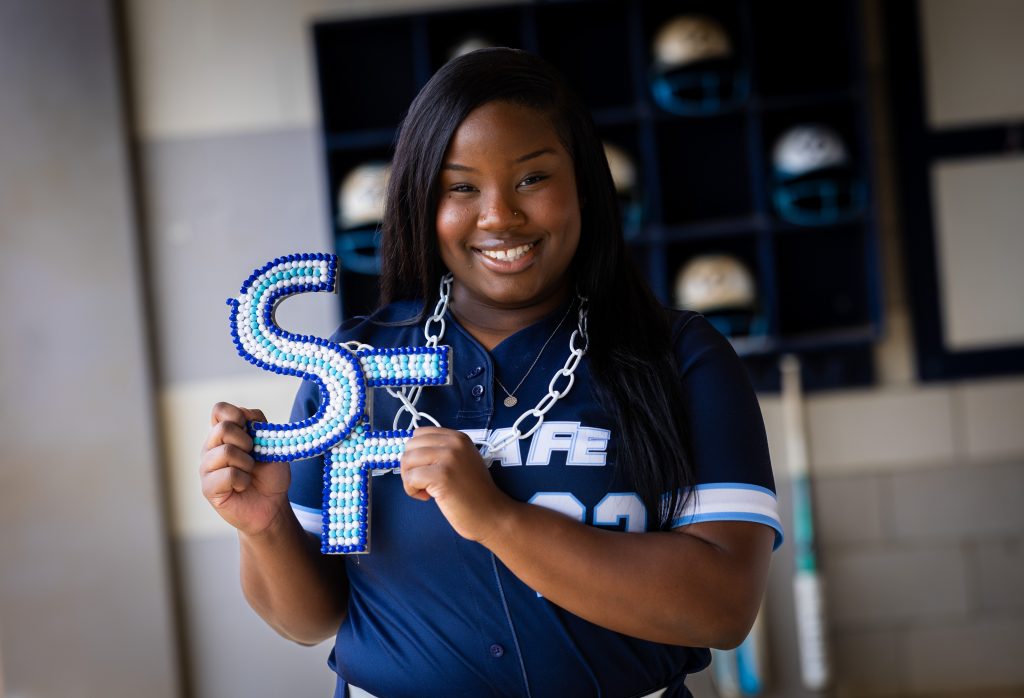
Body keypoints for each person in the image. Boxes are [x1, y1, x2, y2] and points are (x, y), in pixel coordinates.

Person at [201, 47, 782, 698]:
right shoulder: (351, 371)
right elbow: (310, 620)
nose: (500, 215)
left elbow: (724, 607)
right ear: (423, 200)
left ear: (583, 185)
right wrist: (267, 527)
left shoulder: (682, 357)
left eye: (532, 179)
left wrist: (497, 520)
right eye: (461, 186)